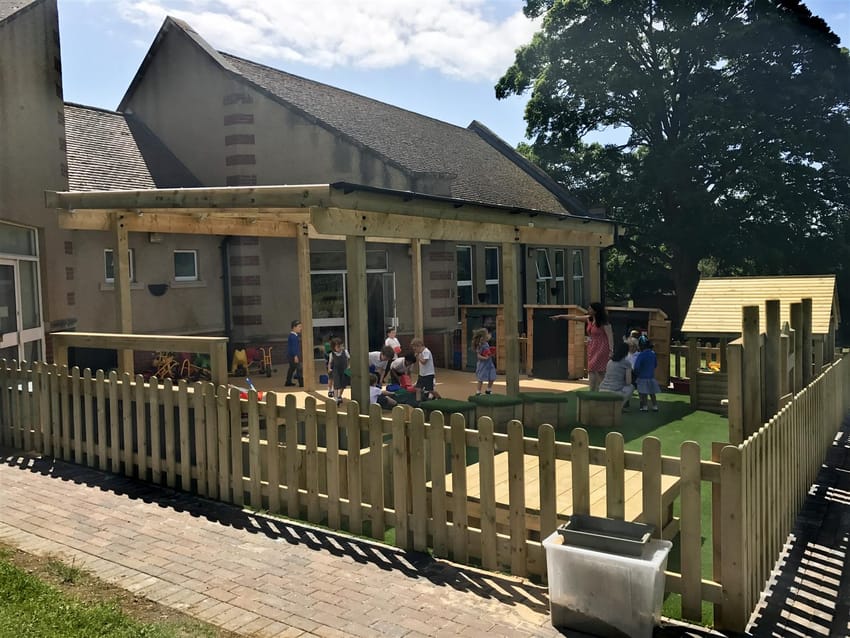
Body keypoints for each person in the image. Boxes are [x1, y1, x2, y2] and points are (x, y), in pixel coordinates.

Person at [551, 302, 613, 391]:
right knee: (593, 369)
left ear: (595, 311)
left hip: (602, 347)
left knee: (598, 369)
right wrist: (560, 316)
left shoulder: (604, 322)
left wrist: (611, 350)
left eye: (590, 308)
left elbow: (610, 336)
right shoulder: (589, 319)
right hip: (592, 347)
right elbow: (574, 317)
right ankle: (594, 389)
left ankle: (602, 389)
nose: (588, 310)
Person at [599, 341, 634, 411]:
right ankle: (618, 408)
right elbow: (628, 382)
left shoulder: (610, 361)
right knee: (631, 387)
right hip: (614, 390)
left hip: (602, 388)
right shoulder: (626, 363)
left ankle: (616, 407)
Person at [633, 339, 661, 412]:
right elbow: (655, 364)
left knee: (643, 393)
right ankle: (655, 406)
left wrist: (636, 373)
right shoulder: (653, 353)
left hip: (642, 377)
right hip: (651, 376)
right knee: (652, 393)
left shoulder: (641, 355)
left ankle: (645, 406)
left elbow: (637, 366)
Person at [410, 337, 440, 401]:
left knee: (430, 390)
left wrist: (418, 356)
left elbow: (424, 362)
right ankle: (418, 402)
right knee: (418, 388)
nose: (415, 351)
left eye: (415, 349)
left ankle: (439, 398)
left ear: (419, 346)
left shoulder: (426, 352)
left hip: (428, 374)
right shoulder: (420, 353)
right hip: (422, 374)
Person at [472, 327, 497, 395]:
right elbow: (478, 356)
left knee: (492, 376)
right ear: (482, 337)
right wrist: (484, 358)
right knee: (481, 378)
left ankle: (488, 389)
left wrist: (491, 354)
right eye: (486, 335)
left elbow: (488, 353)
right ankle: (478, 391)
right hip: (482, 364)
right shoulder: (480, 346)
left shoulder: (486, 343)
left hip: (489, 363)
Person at [329, 337, 350, 406]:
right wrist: (329, 369)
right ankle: (335, 397)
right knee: (337, 383)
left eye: (341, 346)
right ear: (333, 347)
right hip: (336, 370)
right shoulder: (332, 354)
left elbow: (349, 359)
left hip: (344, 369)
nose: (340, 348)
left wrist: (349, 366)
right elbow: (330, 362)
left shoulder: (345, 352)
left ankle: (339, 395)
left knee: (343, 384)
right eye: (338, 347)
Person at [284, 319, 303, 387]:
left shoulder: (293, 336)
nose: (301, 328)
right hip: (293, 355)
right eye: (299, 326)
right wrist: (295, 356)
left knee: (292, 368)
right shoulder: (293, 336)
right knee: (299, 368)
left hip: (291, 355)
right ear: (294, 327)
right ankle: (301, 383)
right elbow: (293, 347)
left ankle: (288, 382)